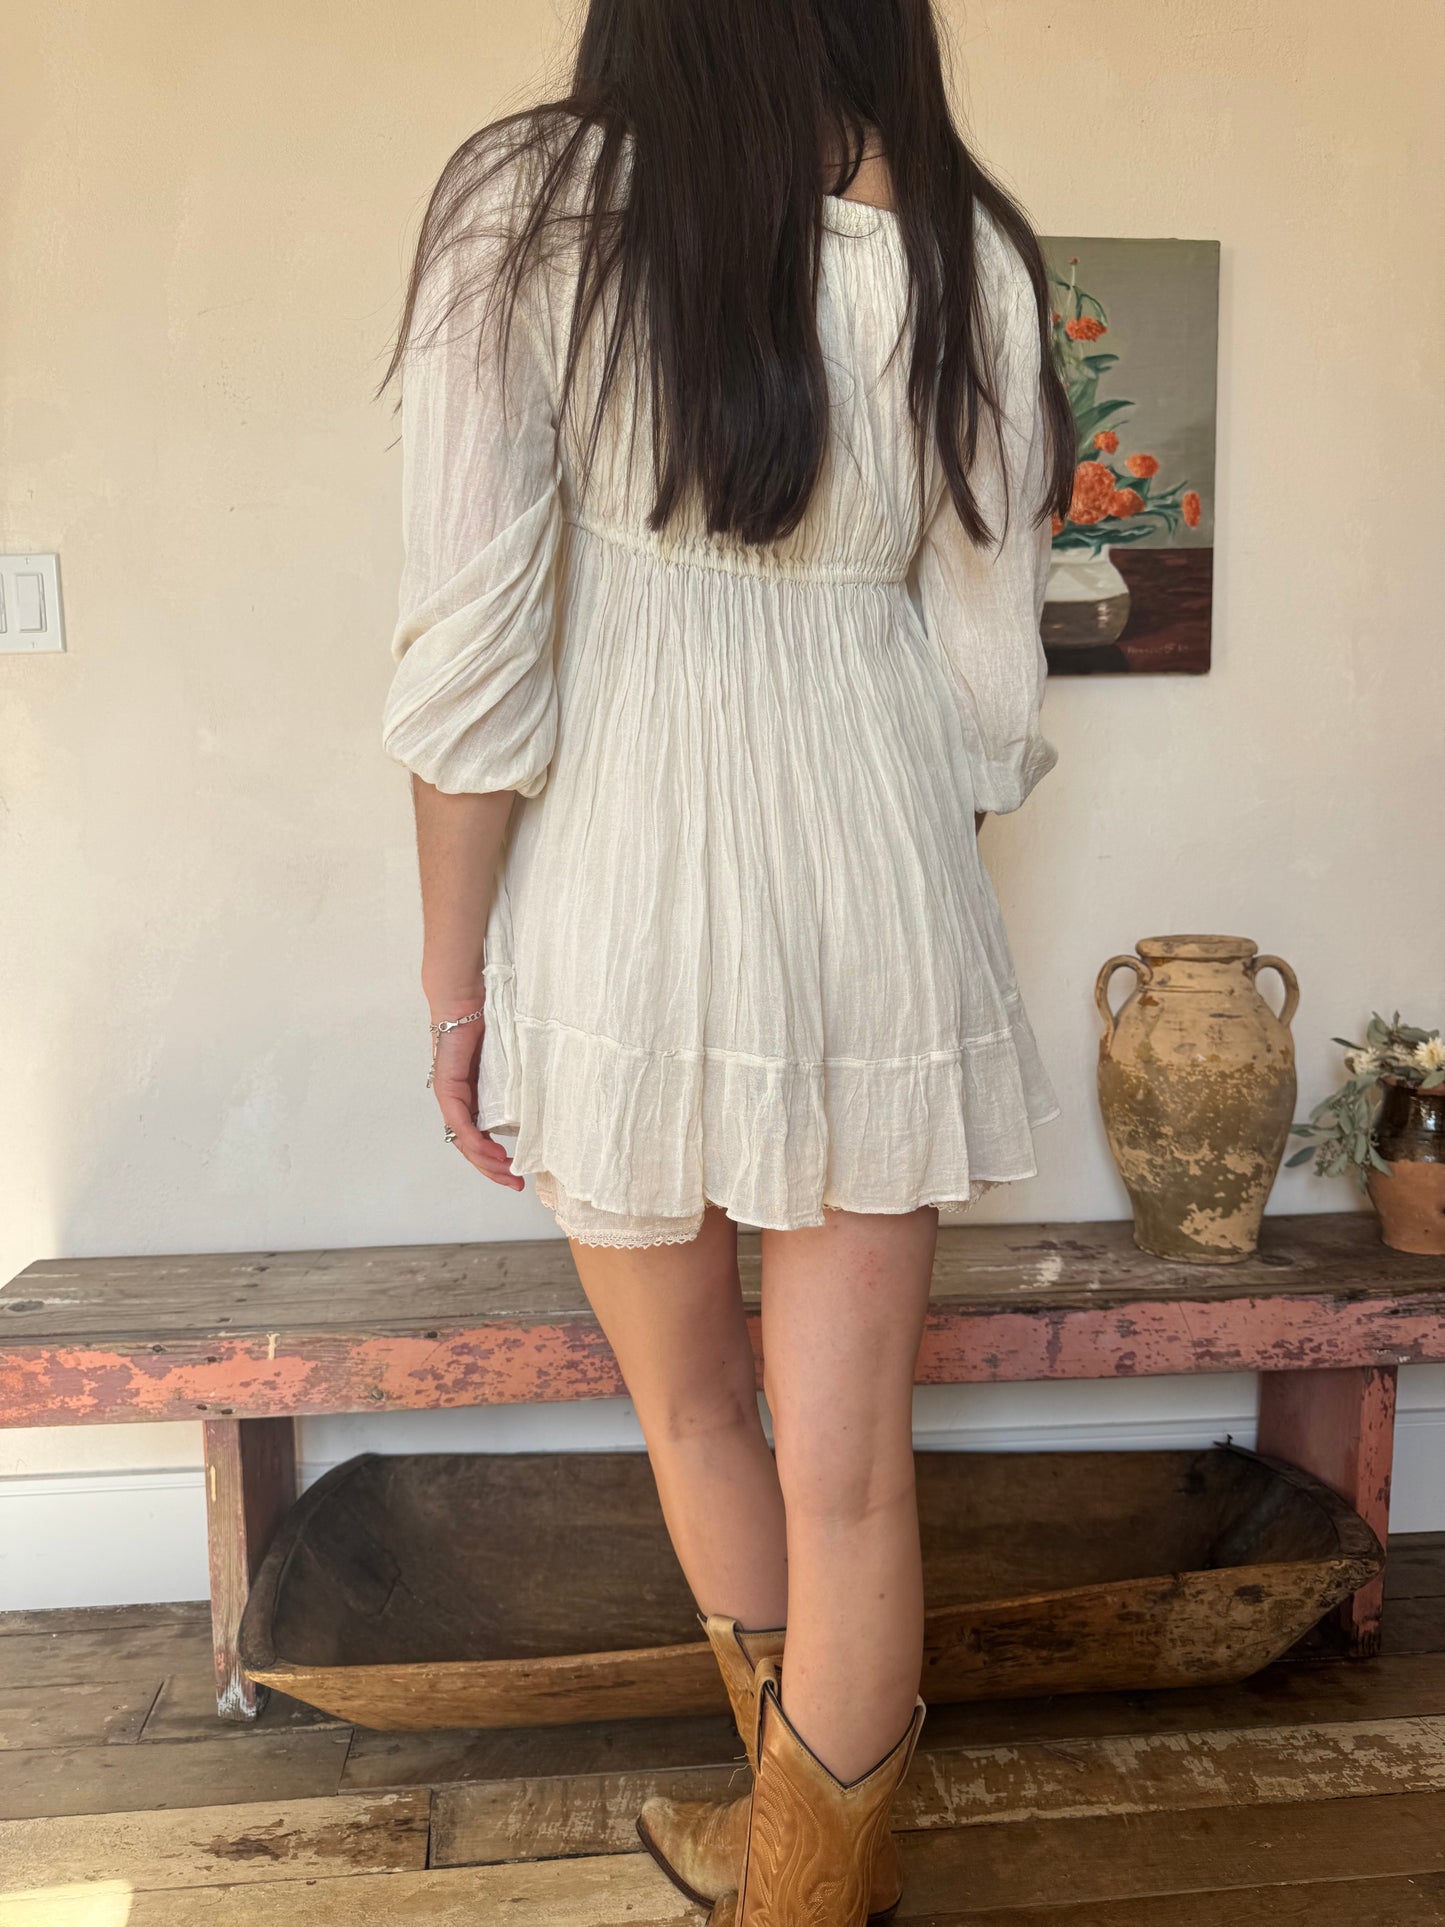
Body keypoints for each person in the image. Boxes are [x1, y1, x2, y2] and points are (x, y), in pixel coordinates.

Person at [378, 2, 1072, 1917]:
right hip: (882, 871)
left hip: (623, 879)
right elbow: (987, 681)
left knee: (691, 1404)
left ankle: (792, 1865)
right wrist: (883, 888)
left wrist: (451, 990)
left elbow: (469, 667)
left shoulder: (533, 204)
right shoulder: (966, 250)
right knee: (857, 1469)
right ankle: (806, 1870)